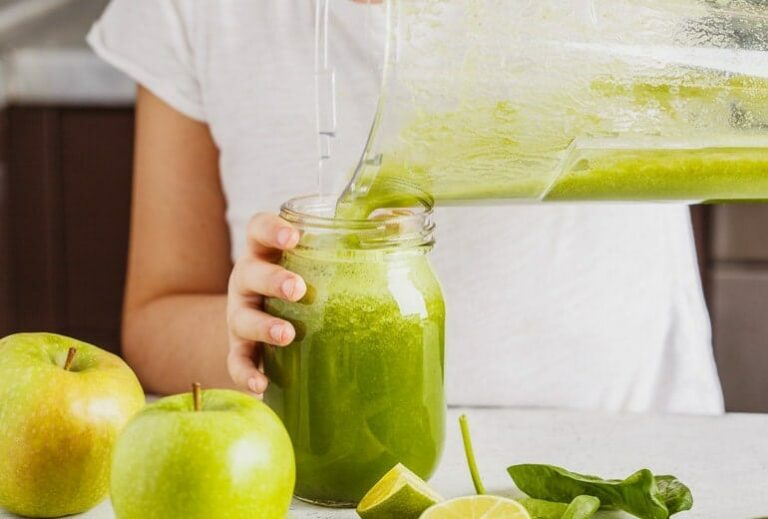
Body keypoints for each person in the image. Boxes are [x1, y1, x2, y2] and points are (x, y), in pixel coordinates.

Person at [87, 0, 724, 414]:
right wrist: (252, 331)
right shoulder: (187, 12)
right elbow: (155, 318)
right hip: (324, 479)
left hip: (639, 454)